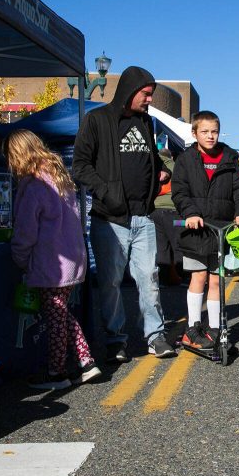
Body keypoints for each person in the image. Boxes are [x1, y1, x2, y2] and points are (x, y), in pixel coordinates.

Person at [72, 66, 176, 362]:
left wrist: (162, 171)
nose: (149, 100)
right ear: (130, 90)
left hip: (143, 217)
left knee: (149, 278)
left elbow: (150, 157)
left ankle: (155, 336)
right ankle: (115, 339)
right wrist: (107, 191)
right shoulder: (97, 120)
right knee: (110, 282)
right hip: (110, 219)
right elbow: (80, 165)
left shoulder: (146, 122)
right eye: (146, 94)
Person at [4, 129, 98, 390]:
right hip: (72, 256)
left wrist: (20, 257)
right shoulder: (58, 176)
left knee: (56, 315)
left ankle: (57, 373)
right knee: (60, 311)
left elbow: (25, 231)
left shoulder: (33, 185)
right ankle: (86, 361)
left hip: (52, 261)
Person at [170, 111, 239, 351]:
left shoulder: (229, 158)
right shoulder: (185, 159)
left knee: (216, 280)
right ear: (194, 133)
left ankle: (215, 328)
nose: (210, 136)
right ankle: (193, 327)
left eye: (214, 131)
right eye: (204, 131)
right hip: (196, 229)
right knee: (198, 277)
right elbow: (179, 191)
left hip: (221, 229)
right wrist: (190, 213)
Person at [151, 148, 183, 287]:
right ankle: (182, 277)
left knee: (161, 246)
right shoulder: (176, 166)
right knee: (178, 245)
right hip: (173, 210)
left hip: (155, 210)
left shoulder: (154, 164)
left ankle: (163, 279)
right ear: (171, 156)